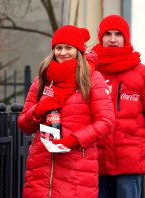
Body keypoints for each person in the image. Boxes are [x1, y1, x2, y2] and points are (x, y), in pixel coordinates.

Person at [17, 25, 115, 198]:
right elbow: (24, 123)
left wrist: (74, 140)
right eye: (58, 48)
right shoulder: (43, 79)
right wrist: (37, 110)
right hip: (41, 169)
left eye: (69, 48)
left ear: (78, 50)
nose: (63, 52)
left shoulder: (91, 79)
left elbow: (106, 122)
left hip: (76, 170)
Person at [90, 15, 145, 198]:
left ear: (126, 38)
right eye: (108, 34)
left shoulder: (144, 75)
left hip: (129, 167)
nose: (113, 39)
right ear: (101, 37)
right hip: (94, 164)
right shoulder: (87, 73)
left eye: (118, 34)